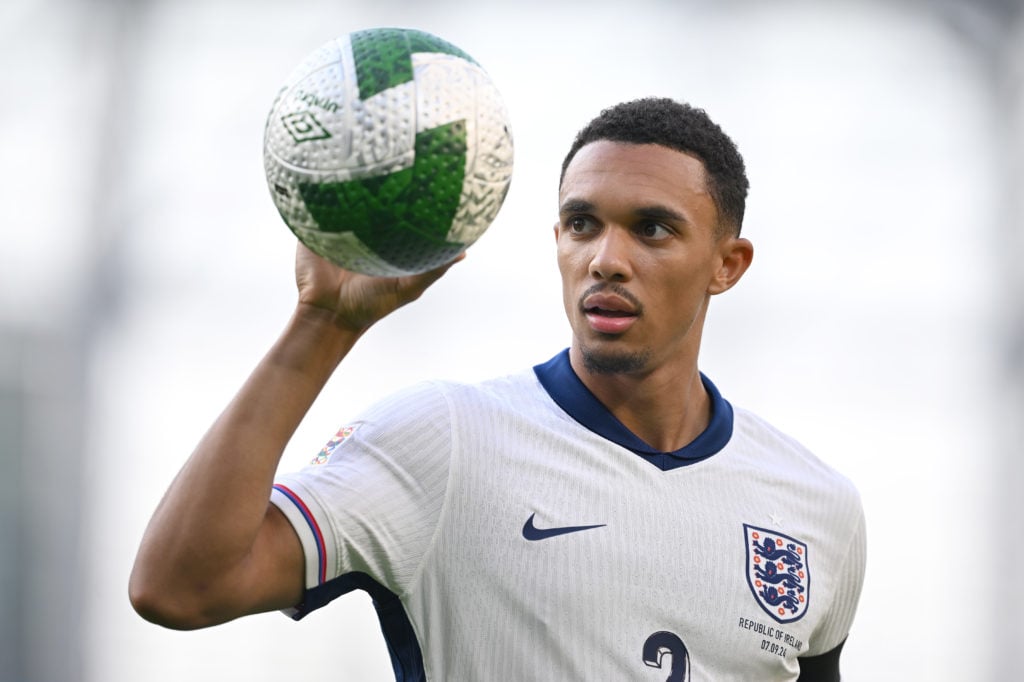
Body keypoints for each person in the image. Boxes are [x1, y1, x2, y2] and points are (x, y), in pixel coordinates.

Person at [130, 97, 865, 681]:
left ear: (727, 264)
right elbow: (179, 586)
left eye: (652, 229)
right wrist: (321, 325)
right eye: (583, 224)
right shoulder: (448, 439)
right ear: (558, 242)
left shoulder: (816, 506)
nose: (606, 258)